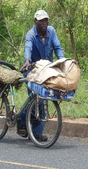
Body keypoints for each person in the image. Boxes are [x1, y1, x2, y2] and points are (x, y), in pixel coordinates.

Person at [18, 9, 65, 141]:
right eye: (41, 21)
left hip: (46, 69)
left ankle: (34, 131)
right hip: (31, 69)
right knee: (36, 97)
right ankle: (23, 121)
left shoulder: (52, 31)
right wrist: (27, 61)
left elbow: (58, 48)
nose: (44, 23)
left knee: (44, 97)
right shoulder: (31, 34)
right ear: (35, 22)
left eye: (46, 20)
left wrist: (62, 61)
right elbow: (28, 48)